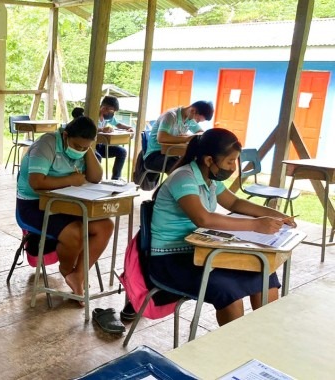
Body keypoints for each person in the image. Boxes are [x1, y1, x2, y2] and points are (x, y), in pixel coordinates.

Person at [148, 128, 296, 326]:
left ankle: (265, 338)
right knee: (229, 293)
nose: (233, 167)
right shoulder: (183, 177)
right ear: (209, 160)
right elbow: (204, 219)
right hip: (172, 259)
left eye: (235, 161)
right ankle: (233, 350)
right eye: (229, 162)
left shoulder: (210, 178)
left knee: (264, 273)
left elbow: (234, 203)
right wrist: (255, 224)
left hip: (203, 250)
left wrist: (276, 215)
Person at [15, 116, 114, 303]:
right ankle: (67, 271)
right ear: (66, 135)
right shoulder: (47, 143)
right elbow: (36, 183)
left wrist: (87, 150)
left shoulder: (83, 148)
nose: (80, 151)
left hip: (68, 203)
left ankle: (79, 275)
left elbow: (95, 177)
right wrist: (70, 180)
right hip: (33, 204)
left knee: (105, 226)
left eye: (86, 147)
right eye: (77, 146)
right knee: (74, 232)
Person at [143, 100, 213, 174]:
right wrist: (186, 139)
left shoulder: (189, 119)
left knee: (195, 164)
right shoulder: (170, 116)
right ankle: (173, 185)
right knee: (182, 169)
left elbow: (201, 133)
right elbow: (161, 138)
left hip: (172, 153)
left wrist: (190, 136)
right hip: (155, 156)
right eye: (198, 119)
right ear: (193, 110)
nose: (197, 122)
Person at [95, 96, 133, 180]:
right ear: (104, 108)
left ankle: (115, 179)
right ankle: (96, 179)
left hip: (101, 146)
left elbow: (118, 124)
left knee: (122, 151)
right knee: (97, 156)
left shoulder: (107, 118)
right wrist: (102, 129)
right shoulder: (93, 114)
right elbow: (88, 128)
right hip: (91, 146)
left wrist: (128, 128)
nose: (113, 114)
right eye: (112, 111)